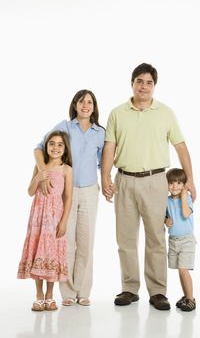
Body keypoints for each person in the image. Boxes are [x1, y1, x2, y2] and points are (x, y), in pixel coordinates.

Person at [101, 63, 196, 310]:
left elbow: (181, 147)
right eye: (139, 81)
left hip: (156, 181)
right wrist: (106, 177)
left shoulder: (165, 113)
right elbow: (109, 147)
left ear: (154, 86)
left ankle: (157, 292)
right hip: (125, 180)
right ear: (132, 83)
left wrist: (191, 180)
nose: (144, 86)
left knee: (156, 237)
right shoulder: (117, 113)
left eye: (149, 82)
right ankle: (129, 288)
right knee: (125, 238)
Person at [34, 90, 105, 306]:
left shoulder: (100, 132)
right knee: (66, 241)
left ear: (94, 107)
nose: (85, 105)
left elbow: (103, 162)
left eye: (90, 102)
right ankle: (67, 292)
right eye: (81, 101)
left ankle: (83, 291)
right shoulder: (64, 126)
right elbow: (39, 148)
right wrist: (44, 173)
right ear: (75, 105)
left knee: (86, 242)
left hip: (90, 190)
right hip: (64, 191)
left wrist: (106, 181)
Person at [17, 131, 73, 311]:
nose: (55, 147)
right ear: (46, 146)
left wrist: (64, 222)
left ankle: (50, 295)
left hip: (55, 218)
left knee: (51, 254)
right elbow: (30, 191)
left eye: (59, 145)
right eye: (51, 144)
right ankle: (39, 295)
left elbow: (68, 198)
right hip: (38, 217)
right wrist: (38, 177)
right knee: (37, 252)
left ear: (65, 149)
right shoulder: (40, 167)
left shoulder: (66, 170)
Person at [165, 168, 196, 311]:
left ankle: (191, 299)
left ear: (184, 185)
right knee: (180, 270)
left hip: (187, 240)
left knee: (184, 270)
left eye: (178, 183)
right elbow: (164, 217)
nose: (175, 186)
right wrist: (165, 220)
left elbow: (185, 213)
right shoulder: (167, 201)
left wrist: (184, 196)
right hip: (173, 240)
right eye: (171, 183)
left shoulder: (188, 198)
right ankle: (186, 296)